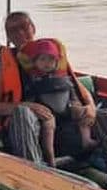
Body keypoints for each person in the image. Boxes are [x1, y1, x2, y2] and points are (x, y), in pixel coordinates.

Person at [0, 11, 107, 190]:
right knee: (23, 113)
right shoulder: (1, 65)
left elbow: (79, 89)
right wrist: (28, 106)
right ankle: (36, 174)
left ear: (33, 28)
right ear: (8, 36)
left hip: (66, 127)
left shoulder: (52, 55)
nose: (20, 33)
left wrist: (90, 107)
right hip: (32, 132)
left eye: (24, 27)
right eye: (13, 30)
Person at [19, 38, 97, 167]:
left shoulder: (63, 77)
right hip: (47, 112)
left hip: (67, 108)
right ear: (35, 62)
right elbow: (30, 98)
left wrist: (76, 104)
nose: (47, 63)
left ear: (57, 62)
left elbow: (72, 92)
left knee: (84, 114)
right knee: (49, 125)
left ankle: (86, 140)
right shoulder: (34, 80)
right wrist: (33, 107)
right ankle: (50, 157)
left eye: (51, 60)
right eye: (42, 59)